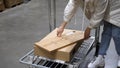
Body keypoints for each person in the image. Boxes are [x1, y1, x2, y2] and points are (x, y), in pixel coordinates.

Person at [56, 0, 120, 68]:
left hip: (116, 6)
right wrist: (62, 25)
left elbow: (98, 13)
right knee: (106, 31)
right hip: (107, 5)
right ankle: (100, 57)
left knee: (116, 34)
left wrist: (89, 28)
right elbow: (71, 5)